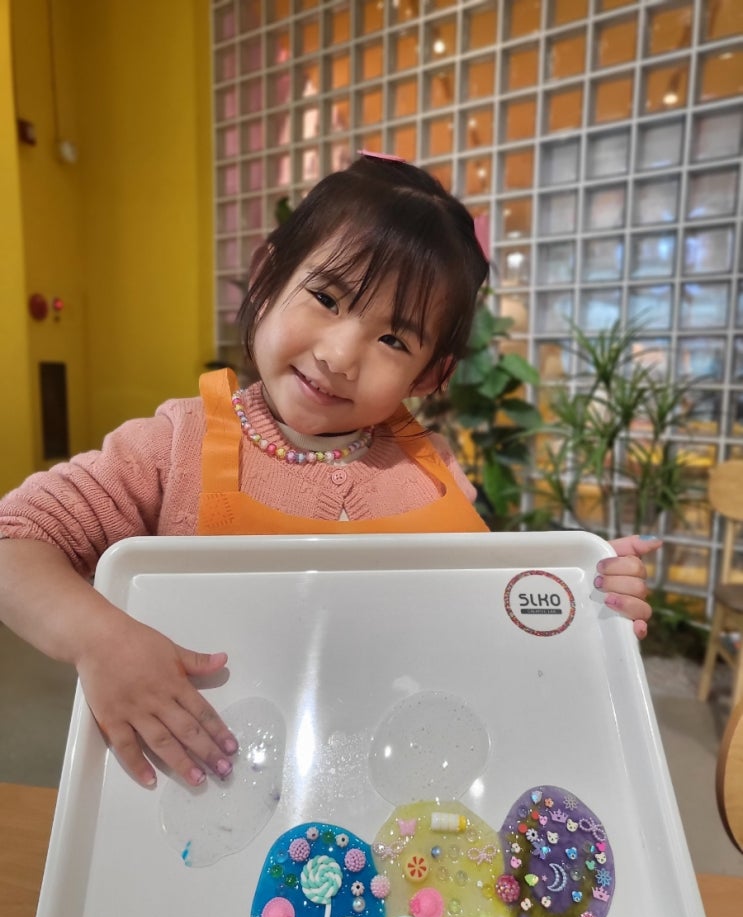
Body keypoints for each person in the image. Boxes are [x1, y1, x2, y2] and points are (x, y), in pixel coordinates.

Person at [0, 154, 660, 791]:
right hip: (210, 793)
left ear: (430, 373)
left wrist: (579, 597)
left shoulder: (434, 469)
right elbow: (13, 539)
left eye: (394, 339)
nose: (340, 355)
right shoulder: (171, 447)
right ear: (267, 275)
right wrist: (101, 639)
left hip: (395, 798)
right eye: (325, 296)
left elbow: (482, 624)